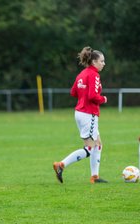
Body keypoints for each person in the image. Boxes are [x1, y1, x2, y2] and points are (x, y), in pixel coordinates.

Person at [53, 46, 108, 184]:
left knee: (98, 144)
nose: (103, 63)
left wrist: (82, 96)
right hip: (88, 114)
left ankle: (94, 177)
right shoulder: (94, 74)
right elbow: (93, 96)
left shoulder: (82, 74)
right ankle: (61, 164)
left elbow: (73, 92)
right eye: (101, 61)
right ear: (94, 62)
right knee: (89, 148)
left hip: (80, 112)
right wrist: (104, 99)